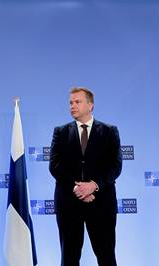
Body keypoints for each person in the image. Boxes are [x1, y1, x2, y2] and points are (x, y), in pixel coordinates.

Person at [49, 87, 122, 266]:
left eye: (77, 102)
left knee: (106, 256)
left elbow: (115, 166)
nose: (72, 106)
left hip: (101, 203)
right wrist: (77, 188)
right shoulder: (60, 132)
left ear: (90, 105)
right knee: (69, 258)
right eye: (71, 103)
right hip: (69, 203)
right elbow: (55, 166)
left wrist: (94, 185)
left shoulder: (109, 131)